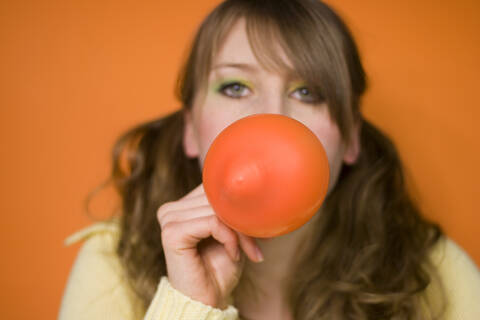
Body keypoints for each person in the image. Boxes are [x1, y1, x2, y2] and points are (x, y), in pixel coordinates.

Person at [58, 0, 480, 319]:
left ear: (351, 138)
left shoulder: (435, 272)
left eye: (307, 92)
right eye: (236, 87)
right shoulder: (114, 260)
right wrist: (192, 305)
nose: (271, 118)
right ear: (190, 128)